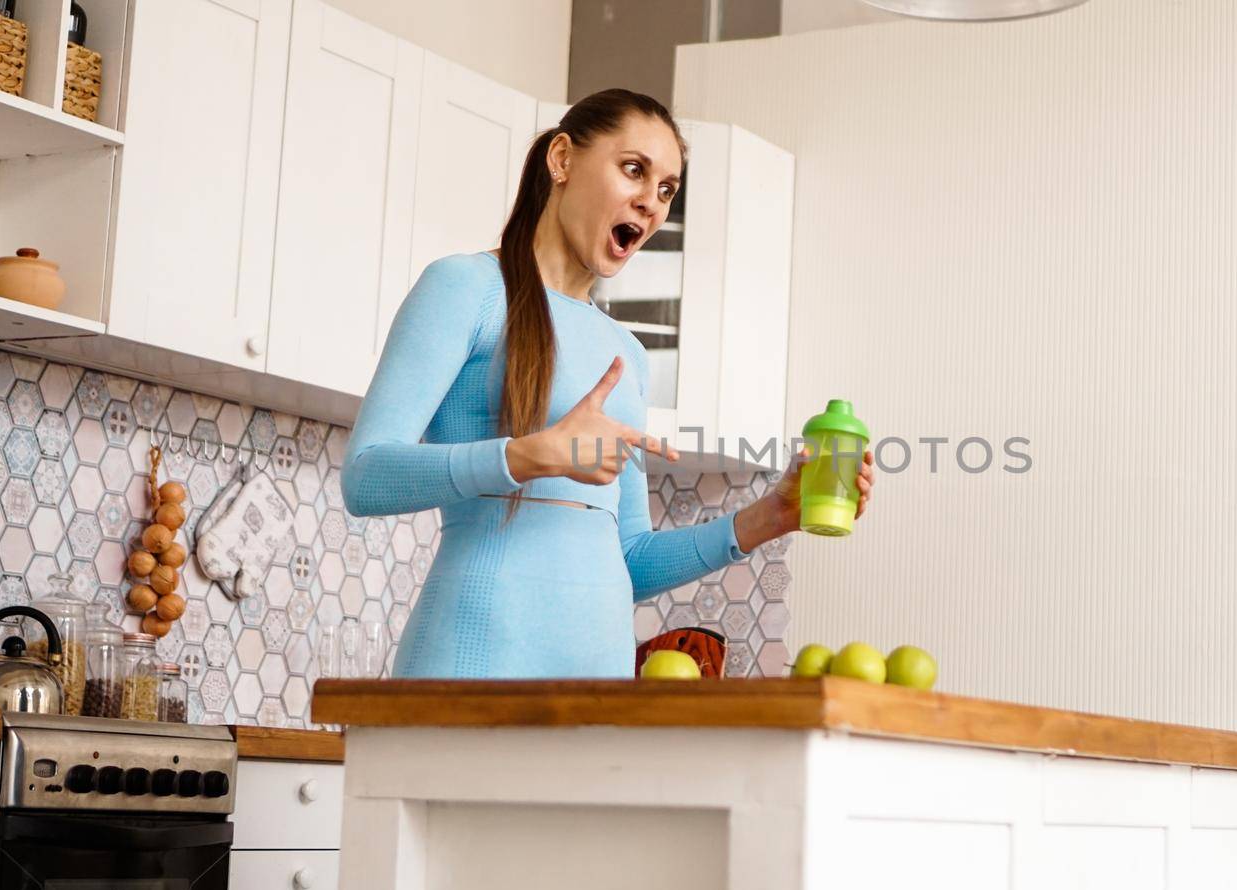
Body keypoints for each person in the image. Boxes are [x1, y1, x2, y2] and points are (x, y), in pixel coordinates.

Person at [341, 89, 875, 678]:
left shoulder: (627, 354)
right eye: (634, 170)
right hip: (471, 666)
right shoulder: (466, 288)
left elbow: (628, 559)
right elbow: (365, 477)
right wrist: (527, 455)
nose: (650, 203)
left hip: (600, 684)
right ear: (563, 159)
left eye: (667, 189)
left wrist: (771, 516)